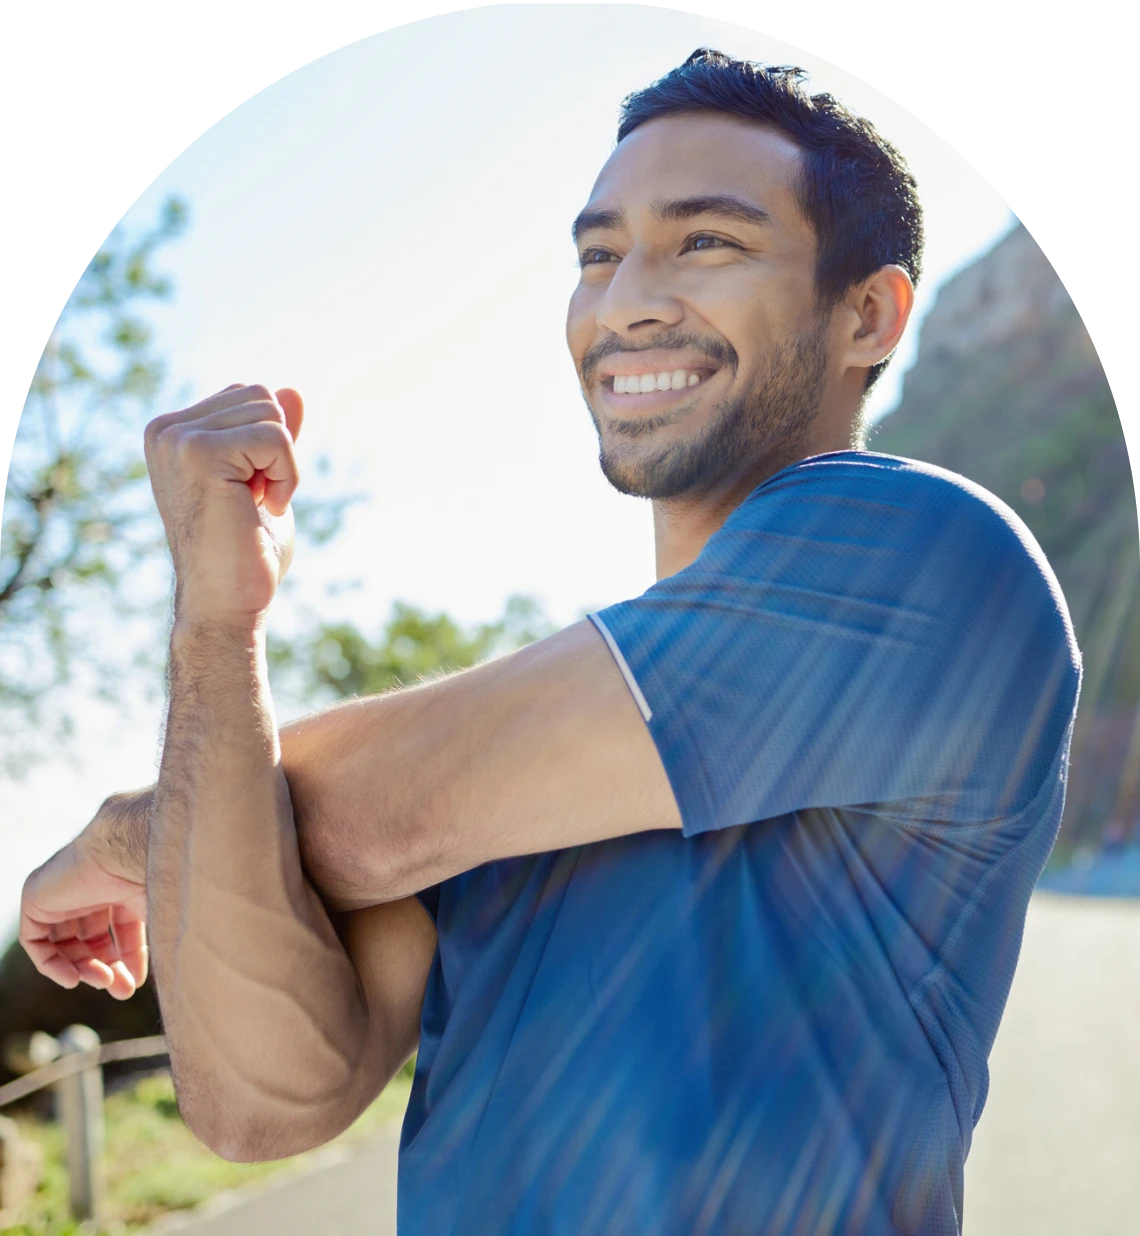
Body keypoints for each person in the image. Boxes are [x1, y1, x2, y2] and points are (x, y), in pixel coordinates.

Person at [19, 50, 1081, 1236]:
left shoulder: (921, 553)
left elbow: (377, 818)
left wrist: (129, 835)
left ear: (866, 314)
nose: (624, 303)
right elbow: (260, 1103)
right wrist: (217, 628)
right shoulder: (523, 754)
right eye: (599, 255)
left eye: (706, 242)